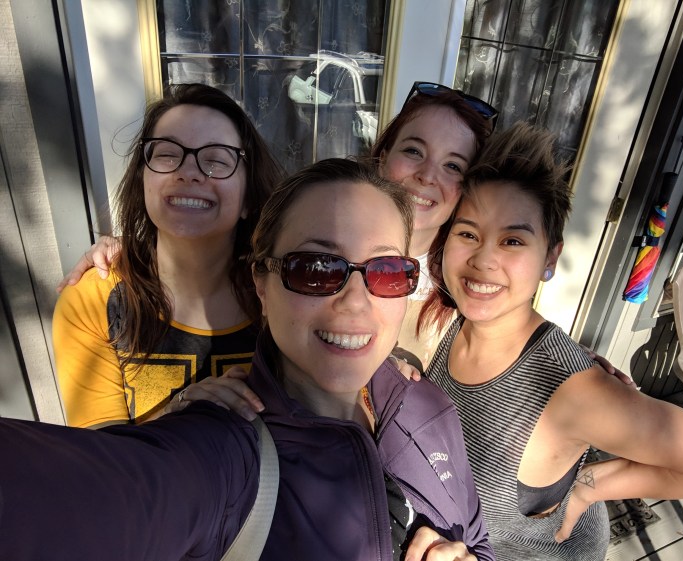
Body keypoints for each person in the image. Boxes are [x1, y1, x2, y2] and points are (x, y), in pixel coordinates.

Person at [0, 158, 494, 561]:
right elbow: (96, 498)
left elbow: (480, 542)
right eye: (315, 268)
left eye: (386, 271)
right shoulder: (228, 455)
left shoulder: (425, 404)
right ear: (261, 283)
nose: (355, 301)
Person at [418, 122, 683, 559]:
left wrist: (592, 487)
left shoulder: (572, 389)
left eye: (513, 240)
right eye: (468, 234)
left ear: (549, 258)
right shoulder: (454, 320)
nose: (484, 259)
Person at [58, 81, 497, 371]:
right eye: (414, 151)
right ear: (382, 156)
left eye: (453, 165)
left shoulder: (467, 300)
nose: (427, 175)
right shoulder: (297, 266)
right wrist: (131, 248)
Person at [53, 83, 282, 427]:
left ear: (248, 196)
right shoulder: (93, 297)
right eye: (167, 154)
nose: (187, 172)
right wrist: (181, 411)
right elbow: (99, 451)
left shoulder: (286, 291)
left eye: (216, 160)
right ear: (142, 179)